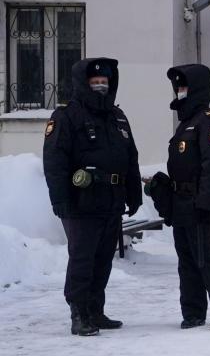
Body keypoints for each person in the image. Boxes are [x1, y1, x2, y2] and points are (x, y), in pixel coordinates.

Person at [43, 58, 142, 336]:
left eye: (105, 82)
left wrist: (134, 193)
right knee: (82, 258)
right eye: (95, 82)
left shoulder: (117, 116)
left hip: (112, 199)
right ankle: (79, 313)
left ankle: (96, 311)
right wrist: (59, 200)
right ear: (83, 83)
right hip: (81, 202)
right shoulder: (66, 117)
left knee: (103, 259)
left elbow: (130, 156)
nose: (100, 86)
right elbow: (54, 161)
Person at [160, 64, 210, 330]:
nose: (180, 92)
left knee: (206, 259)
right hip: (181, 202)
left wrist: (205, 202)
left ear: (197, 89)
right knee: (186, 261)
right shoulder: (187, 123)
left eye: (184, 87)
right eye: (178, 87)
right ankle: (193, 312)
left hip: (198, 202)